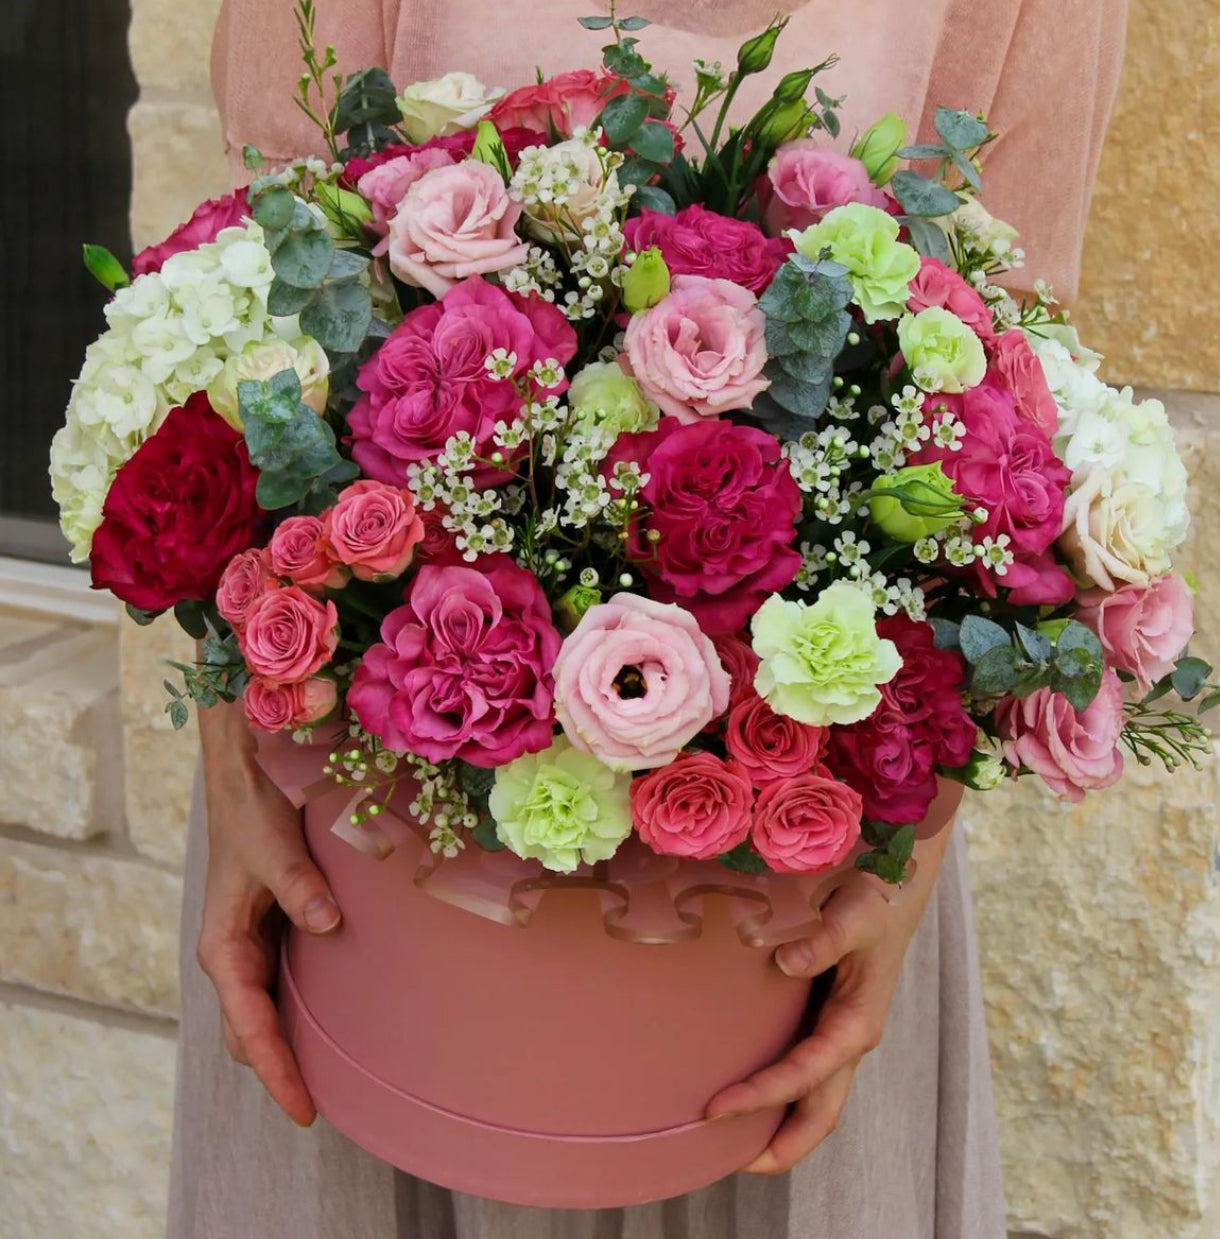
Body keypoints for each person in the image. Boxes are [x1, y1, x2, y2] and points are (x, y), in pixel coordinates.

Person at [169, 2, 1127, 1235]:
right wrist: (231, 760)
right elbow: (255, 302)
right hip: (354, 871)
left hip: (781, 902)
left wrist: (902, 858)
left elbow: (1010, 397)